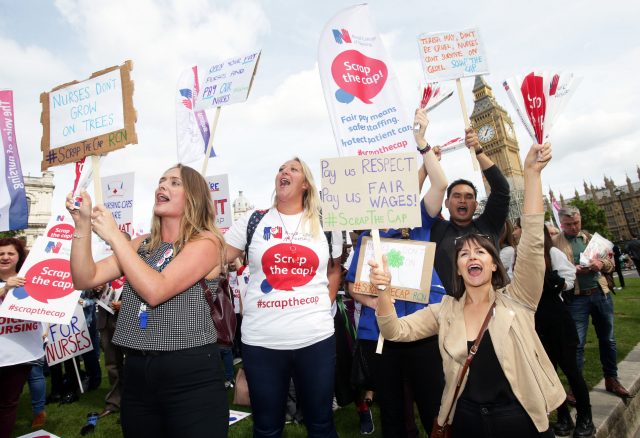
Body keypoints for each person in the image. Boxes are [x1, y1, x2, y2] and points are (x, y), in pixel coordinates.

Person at [372, 143, 563, 437]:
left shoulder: (519, 301)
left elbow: (534, 241)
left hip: (521, 419)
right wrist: (383, 290)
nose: (472, 256)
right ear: (457, 268)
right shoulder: (444, 310)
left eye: (481, 252)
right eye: (464, 254)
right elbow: (394, 331)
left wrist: (532, 175)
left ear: (495, 265)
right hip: (465, 422)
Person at [67, 164, 229, 437]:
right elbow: (85, 277)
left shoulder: (207, 243)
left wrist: (115, 236)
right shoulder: (141, 245)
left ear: (194, 198)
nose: (162, 186)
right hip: (138, 371)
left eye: (175, 182)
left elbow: (156, 290)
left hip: (190, 374)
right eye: (161, 180)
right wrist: (82, 224)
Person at [346, 108, 447, 437]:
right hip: (380, 335)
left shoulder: (418, 217)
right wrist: (376, 302)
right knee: (392, 412)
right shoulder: (367, 237)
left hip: (421, 329)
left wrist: (422, 144)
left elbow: (440, 182)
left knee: (434, 406)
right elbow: (353, 288)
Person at [224, 157, 342, 438]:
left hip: (315, 340)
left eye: (293, 169)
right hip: (262, 343)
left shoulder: (326, 222)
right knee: (266, 427)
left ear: (305, 184)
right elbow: (216, 259)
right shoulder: (252, 221)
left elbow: (334, 270)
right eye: (280, 169)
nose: (284, 172)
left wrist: (323, 306)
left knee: (321, 424)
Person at [553, 206, 631, 398]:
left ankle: (611, 379)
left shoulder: (590, 238)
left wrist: (600, 264)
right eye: (569, 224)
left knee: (608, 340)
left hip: (600, 293)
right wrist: (573, 269)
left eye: (577, 223)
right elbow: (553, 272)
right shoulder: (554, 244)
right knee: (577, 345)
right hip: (577, 298)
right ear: (561, 224)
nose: (574, 227)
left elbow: (610, 264)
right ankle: (576, 387)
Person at [429, 128, 510, 294]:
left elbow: (501, 188)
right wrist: (429, 163)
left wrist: (478, 150)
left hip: (495, 304)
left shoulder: (489, 225)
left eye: (468, 197)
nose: (462, 200)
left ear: (475, 204)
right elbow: (423, 203)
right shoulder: (437, 230)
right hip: (454, 310)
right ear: (446, 203)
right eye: (457, 196)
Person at [534, 225, 594, 437]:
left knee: (571, 371)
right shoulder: (520, 257)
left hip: (558, 320)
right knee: (549, 374)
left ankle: (586, 417)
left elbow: (569, 278)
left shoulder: (552, 253)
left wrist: (557, 285)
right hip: (537, 323)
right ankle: (563, 416)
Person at [0, 237, 35, 437]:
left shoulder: (28, 282)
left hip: (18, 354)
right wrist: (5, 289)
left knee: (8, 403)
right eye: (1, 254)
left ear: (19, 257)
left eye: (10, 253)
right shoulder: (8, 285)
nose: (5, 257)